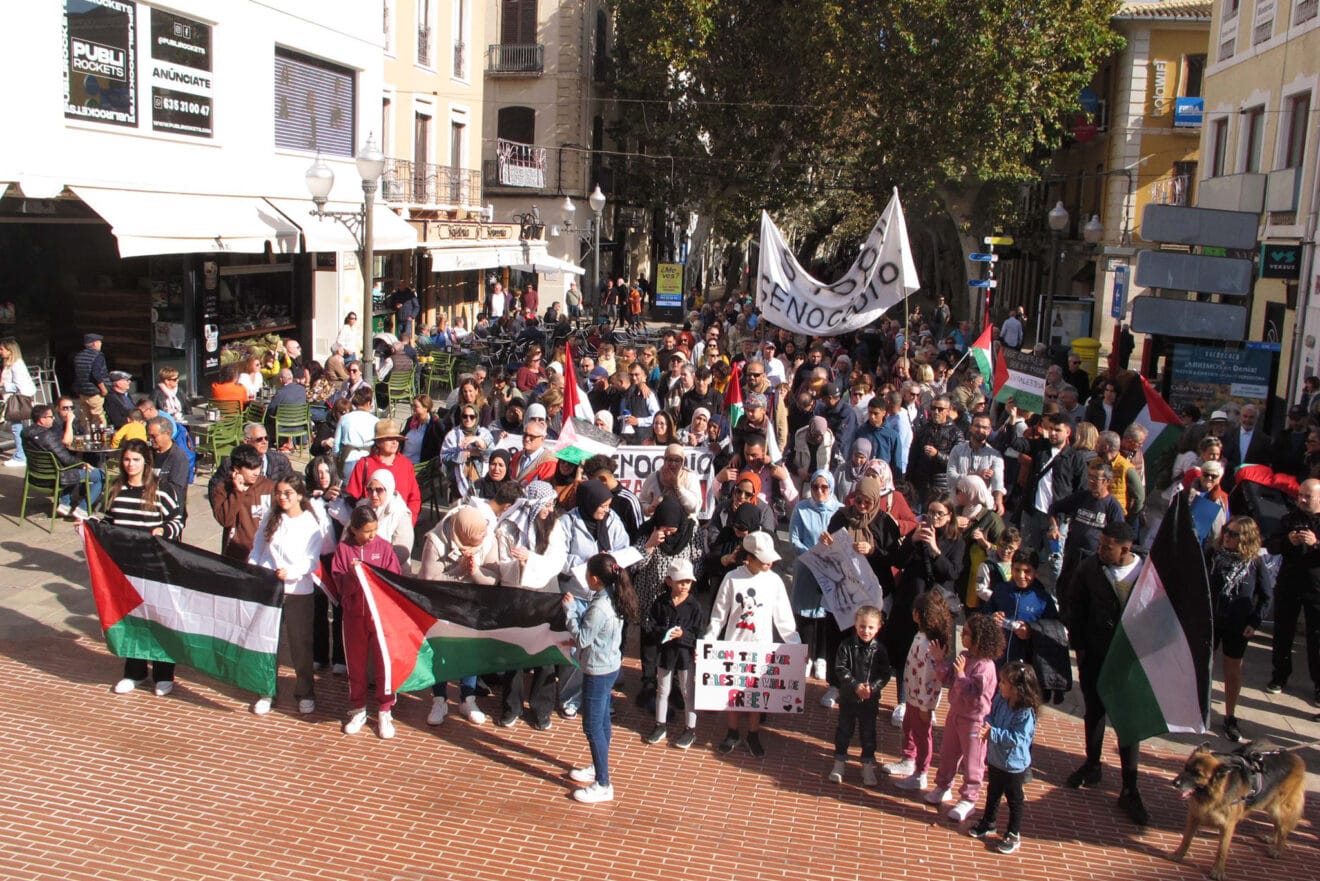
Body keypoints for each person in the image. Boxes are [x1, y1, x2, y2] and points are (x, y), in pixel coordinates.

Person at [1064, 520, 1150, 826]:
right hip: (1096, 656)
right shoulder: (1090, 568)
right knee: (1094, 712)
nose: (1100, 550)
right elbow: (1074, 605)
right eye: (1100, 544)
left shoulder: (1148, 573)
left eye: (1107, 546)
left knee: (1129, 722)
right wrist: (1080, 646)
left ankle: (1130, 786)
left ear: (1125, 549)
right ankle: (1092, 764)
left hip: (1131, 662)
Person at [705, 531, 800, 757]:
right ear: (749, 557)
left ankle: (754, 732)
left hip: (762, 647)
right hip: (734, 645)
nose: (768, 563)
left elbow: (783, 617)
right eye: (762, 558)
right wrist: (709, 641)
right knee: (733, 692)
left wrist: (795, 645)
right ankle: (732, 731)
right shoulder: (732, 579)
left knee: (757, 693)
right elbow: (718, 615)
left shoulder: (774, 581)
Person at [103, 439, 185, 695]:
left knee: (160, 620)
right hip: (126, 567)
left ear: (146, 462)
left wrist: (164, 530)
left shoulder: (161, 490)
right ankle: (134, 671)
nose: (130, 465)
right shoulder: (116, 488)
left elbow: (178, 519)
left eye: (136, 460)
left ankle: (164, 674)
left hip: (156, 567)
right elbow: (108, 522)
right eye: (126, 460)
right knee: (131, 620)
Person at [247, 475, 335, 716]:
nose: (282, 498)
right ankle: (266, 691)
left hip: (298, 591)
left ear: (299, 495)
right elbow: (258, 548)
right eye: (279, 493)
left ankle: (305, 692)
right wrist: (256, 568)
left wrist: (291, 572)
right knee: (267, 641)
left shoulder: (310, 523)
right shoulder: (271, 518)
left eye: (287, 493)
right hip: (270, 589)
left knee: (300, 645)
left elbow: (311, 560)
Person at [562, 553, 639, 804]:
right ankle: (598, 766)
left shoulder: (599, 607)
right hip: (610, 665)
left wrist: (570, 611)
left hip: (597, 669)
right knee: (603, 719)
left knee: (592, 726)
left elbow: (582, 638)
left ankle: (603, 783)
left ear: (594, 579)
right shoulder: (614, 597)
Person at [329, 506, 403, 738]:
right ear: (353, 529)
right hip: (354, 617)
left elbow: (394, 580)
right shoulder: (343, 549)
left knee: (383, 663)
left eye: (374, 529)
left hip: (380, 617)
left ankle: (384, 710)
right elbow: (339, 585)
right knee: (356, 665)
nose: (372, 535)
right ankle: (358, 709)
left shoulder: (383, 547)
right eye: (367, 531)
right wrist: (352, 575)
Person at [924, 613, 1005, 822]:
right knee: (948, 753)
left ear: (979, 638)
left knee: (973, 762)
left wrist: (960, 674)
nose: (963, 636)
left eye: (967, 633)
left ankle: (969, 799)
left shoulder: (986, 667)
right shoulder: (966, 658)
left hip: (974, 722)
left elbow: (973, 693)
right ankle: (943, 786)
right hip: (955, 715)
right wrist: (940, 661)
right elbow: (949, 678)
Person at [1207, 516, 1273, 742]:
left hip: (1237, 623)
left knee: (1232, 670)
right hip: (1212, 618)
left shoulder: (1254, 562)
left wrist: (1253, 622)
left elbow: (1266, 596)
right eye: (1227, 531)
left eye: (1234, 534)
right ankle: (1197, 709)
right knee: (1204, 664)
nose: (1227, 536)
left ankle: (1230, 716)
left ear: (1245, 538)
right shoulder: (1213, 555)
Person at [968, 661, 1042, 855]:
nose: (1000, 686)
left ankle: (1013, 833)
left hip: (1014, 765)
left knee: (1014, 799)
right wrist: (987, 724)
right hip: (996, 759)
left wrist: (992, 733)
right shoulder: (1001, 699)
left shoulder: (1025, 712)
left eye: (1004, 683)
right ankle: (988, 821)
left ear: (1018, 689)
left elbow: (1018, 739)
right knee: (993, 791)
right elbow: (991, 716)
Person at [886, 591, 954, 791]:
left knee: (922, 735)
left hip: (922, 700)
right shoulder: (921, 636)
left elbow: (932, 679)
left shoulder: (930, 645)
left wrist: (926, 705)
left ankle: (921, 773)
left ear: (918, 614)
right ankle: (908, 759)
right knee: (908, 727)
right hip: (913, 696)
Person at [1266, 478, 1320, 704]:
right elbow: (1271, 545)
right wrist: (1288, 540)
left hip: (1316, 588)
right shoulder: (1289, 519)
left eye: (1308, 496)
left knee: (1317, 638)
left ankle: (1318, 685)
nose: (1303, 500)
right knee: (1282, 633)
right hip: (1289, 584)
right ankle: (1279, 675)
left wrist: (1316, 543)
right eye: (1300, 495)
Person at [642, 559, 705, 749]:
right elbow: (650, 627)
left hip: (685, 656)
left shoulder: (694, 607)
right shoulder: (660, 602)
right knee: (663, 689)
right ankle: (660, 725)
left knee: (687, 691)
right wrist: (665, 632)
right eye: (681, 582)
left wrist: (683, 636)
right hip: (666, 654)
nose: (685, 586)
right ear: (669, 581)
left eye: (688, 582)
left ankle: (690, 728)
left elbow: (698, 634)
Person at [827, 605, 892, 787]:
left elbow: (884, 673)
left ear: (878, 627)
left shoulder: (880, 649)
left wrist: (872, 688)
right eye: (862, 626)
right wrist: (855, 686)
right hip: (849, 697)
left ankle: (867, 765)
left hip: (869, 699)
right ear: (856, 625)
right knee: (844, 730)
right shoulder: (846, 645)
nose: (866, 631)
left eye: (871, 627)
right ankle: (839, 763)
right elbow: (841, 668)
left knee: (868, 732)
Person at [790, 470, 843, 682]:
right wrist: (812, 557)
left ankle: (821, 657)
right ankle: (806, 657)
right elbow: (794, 540)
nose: (819, 491)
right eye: (815, 487)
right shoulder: (801, 508)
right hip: (806, 569)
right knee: (805, 616)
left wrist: (828, 559)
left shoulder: (839, 511)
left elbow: (842, 541)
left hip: (830, 572)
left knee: (825, 615)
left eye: (824, 487)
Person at [21, 403, 105, 517]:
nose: (53, 418)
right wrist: (82, 464)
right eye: (51, 417)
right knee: (101, 475)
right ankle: (82, 508)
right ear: (42, 419)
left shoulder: (25, 433)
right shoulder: (47, 436)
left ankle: (65, 504)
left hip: (35, 476)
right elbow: (65, 458)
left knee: (70, 469)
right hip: (55, 478)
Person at [1, 337, 36, 467]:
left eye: (2, 349)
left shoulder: (17, 365)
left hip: (16, 402)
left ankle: (21, 456)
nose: (1, 351)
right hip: (11, 400)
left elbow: (21, 386)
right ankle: (21, 454)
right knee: (17, 428)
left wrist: (4, 385)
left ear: (10, 350)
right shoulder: (10, 364)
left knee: (17, 428)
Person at [72, 332, 109, 426]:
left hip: (82, 391)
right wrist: (103, 389)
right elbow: (96, 374)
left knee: (85, 417)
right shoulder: (98, 355)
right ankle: (100, 437)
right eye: (99, 342)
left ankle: (87, 436)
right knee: (98, 417)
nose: (101, 344)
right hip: (94, 391)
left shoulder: (78, 356)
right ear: (95, 343)